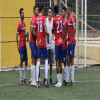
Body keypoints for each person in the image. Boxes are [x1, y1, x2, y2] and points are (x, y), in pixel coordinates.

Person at [33, 5, 49, 87]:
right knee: (46, 59)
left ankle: (36, 81)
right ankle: (45, 79)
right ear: (42, 10)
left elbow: (34, 30)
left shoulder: (35, 19)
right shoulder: (43, 18)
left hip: (38, 42)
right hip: (43, 42)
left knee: (38, 60)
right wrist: (46, 34)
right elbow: (45, 29)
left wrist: (37, 37)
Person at [52, 5, 65, 87]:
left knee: (57, 61)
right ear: (59, 11)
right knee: (61, 62)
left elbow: (53, 30)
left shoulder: (54, 19)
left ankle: (59, 81)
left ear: (54, 12)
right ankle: (60, 80)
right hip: (62, 41)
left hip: (57, 42)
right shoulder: (61, 18)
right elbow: (64, 27)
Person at [16, 8, 28, 84]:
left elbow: (24, 34)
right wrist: (18, 46)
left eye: (24, 13)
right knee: (21, 61)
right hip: (21, 45)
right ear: (20, 15)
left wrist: (27, 36)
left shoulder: (24, 24)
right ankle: (21, 79)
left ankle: (24, 78)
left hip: (25, 45)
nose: (23, 14)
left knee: (26, 62)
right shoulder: (19, 24)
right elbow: (16, 36)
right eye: (22, 13)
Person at [29, 6, 39, 86]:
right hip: (32, 42)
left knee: (34, 60)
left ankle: (33, 79)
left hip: (33, 42)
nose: (38, 11)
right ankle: (33, 80)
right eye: (37, 10)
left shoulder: (35, 19)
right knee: (33, 60)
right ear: (34, 11)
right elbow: (32, 31)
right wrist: (38, 37)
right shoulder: (33, 19)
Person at [67, 4, 76, 86]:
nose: (66, 11)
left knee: (71, 60)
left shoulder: (72, 18)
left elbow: (74, 28)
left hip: (72, 43)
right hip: (69, 42)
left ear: (69, 10)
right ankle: (68, 79)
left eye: (67, 9)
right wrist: (67, 38)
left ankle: (72, 80)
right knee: (68, 60)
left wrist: (72, 38)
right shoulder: (69, 18)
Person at [46, 7, 54, 84]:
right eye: (48, 12)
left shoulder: (53, 20)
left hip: (51, 44)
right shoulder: (45, 20)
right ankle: (45, 77)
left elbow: (54, 31)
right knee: (46, 62)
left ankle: (51, 77)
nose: (49, 13)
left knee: (51, 62)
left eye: (51, 12)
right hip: (46, 44)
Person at [61, 7, 68, 85]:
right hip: (61, 43)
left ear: (65, 12)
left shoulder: (66, 21)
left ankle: (65, 79)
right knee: (61, 61)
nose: (62, 13)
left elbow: (68, 31)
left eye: (63, 12)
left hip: (64, 44)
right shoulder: (62, 21)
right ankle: (62, 78)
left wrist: (66, 38)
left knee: (64, 62)